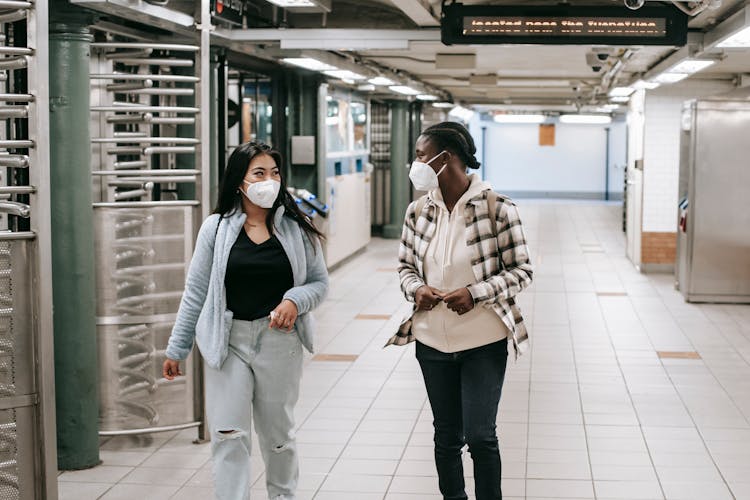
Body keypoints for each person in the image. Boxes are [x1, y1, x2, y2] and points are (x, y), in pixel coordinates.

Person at [163, 142, 328, 500]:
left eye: (275, 173)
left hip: (279, 343)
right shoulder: (216, 229)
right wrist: (177, 348)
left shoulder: (298, 228)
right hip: (228, 343)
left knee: (278, 437)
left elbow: (319, 283)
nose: (270, 180)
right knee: (229, 436)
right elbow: (196, 291)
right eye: (259, 173)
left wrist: (294, 301)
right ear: (240, 181)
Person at [385, 121, 533, 500]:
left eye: (420, 155)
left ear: (444, 158)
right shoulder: (418, 211)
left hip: (483, 339)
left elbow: (522, 271)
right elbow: (404, 267)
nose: (415, 163)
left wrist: (475, 292)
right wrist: (416, 289)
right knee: (447, 436)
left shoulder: (498, 209)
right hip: (432, 341)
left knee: (481, 436)